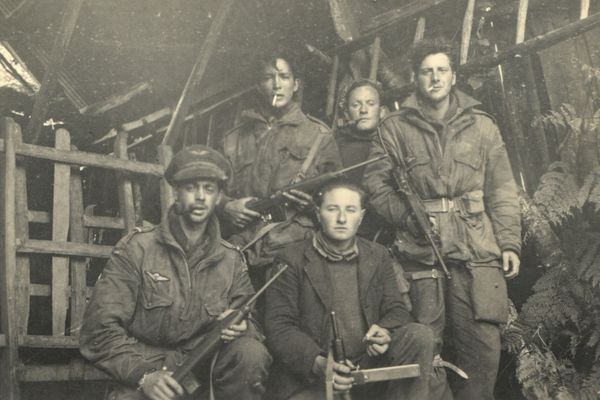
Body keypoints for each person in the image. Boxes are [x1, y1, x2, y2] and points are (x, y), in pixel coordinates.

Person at [363, 38, 521, 400]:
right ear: (415, 78)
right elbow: (375, 184)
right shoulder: (394, 128)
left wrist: (509, 242)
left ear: (453, 76)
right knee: (423, 352)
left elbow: (503, 190)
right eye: (426, 71)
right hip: (420, 253)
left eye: (441, 70)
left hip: (476, 251)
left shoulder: (482, 126)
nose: (434, 78)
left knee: (481, 352)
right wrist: (408, 217)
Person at [79, 145, 271, 400]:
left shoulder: (231, 259)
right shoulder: (137, 249)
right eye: (191, 188)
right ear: (176, 192)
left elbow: (253, 323)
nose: (201, 197)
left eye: (209, 188)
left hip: (203, 373)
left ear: (218, 196)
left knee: (250, 352)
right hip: (144, 372)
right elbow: (98, 331)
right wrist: (144, 375)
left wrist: (242, 326)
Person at [264, 180, 436, 400]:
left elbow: (397, 309)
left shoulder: (377, 254)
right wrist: (320, 364)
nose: (342, 219)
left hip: (367, 369)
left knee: (419, 335)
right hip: (317, 375)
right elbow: (279, 327)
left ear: (361, 216)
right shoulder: (291, 258)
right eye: (332, 209)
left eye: (350, 210)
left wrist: (385, 331)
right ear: (318, 213)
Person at [220, 50, 342, 268]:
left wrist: (313, 206)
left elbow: (339, 199)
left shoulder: (319, 136)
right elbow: (209, 191)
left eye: (284, 77)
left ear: (296, 85)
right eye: (268, 78)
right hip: (240, 248)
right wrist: (226, 206)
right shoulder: (234, 139)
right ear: (259, 86)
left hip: (294, 251)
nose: (277, 84)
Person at [335, 79, 391, 241]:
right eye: (356, 105)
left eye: (370, 103)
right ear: (346, 113)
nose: (364, 110)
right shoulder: (334, 146)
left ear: (382, 111)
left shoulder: (393, 145)